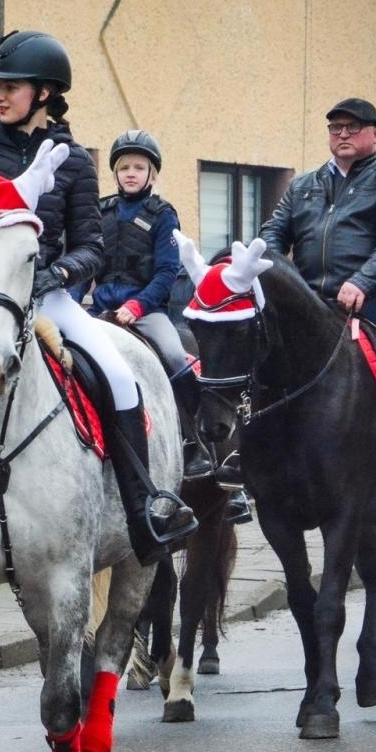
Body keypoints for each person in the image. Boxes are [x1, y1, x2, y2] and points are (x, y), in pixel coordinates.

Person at [0, 31, 197, 580]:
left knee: (121, 381)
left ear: (45, 92)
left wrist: (56, 273)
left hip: (50, 300)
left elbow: (92, 245)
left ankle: (145, 508)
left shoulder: (72, 160)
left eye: (11, 86)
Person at [75, 130, 252, 525]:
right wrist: (68, 305)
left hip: (147, 310)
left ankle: (197, 445)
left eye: (139, 167)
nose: (131, 173)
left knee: (175, 358)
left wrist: (137, 305)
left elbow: (167, 272)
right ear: (116, 173)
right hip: (100, 308)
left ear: (152, 174)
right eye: (124, 167)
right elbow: (85, 267)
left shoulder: (162, 214)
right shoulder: (99, 212)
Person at [259, 97, 376, 482]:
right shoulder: (303, 184)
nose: (342, 134)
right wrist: (274, 272)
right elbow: (273, 232)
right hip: (308, 297)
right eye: (335, 128)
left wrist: (362, 281)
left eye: (352, 127)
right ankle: (245, 446)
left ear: (375, 134)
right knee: (253, 344)